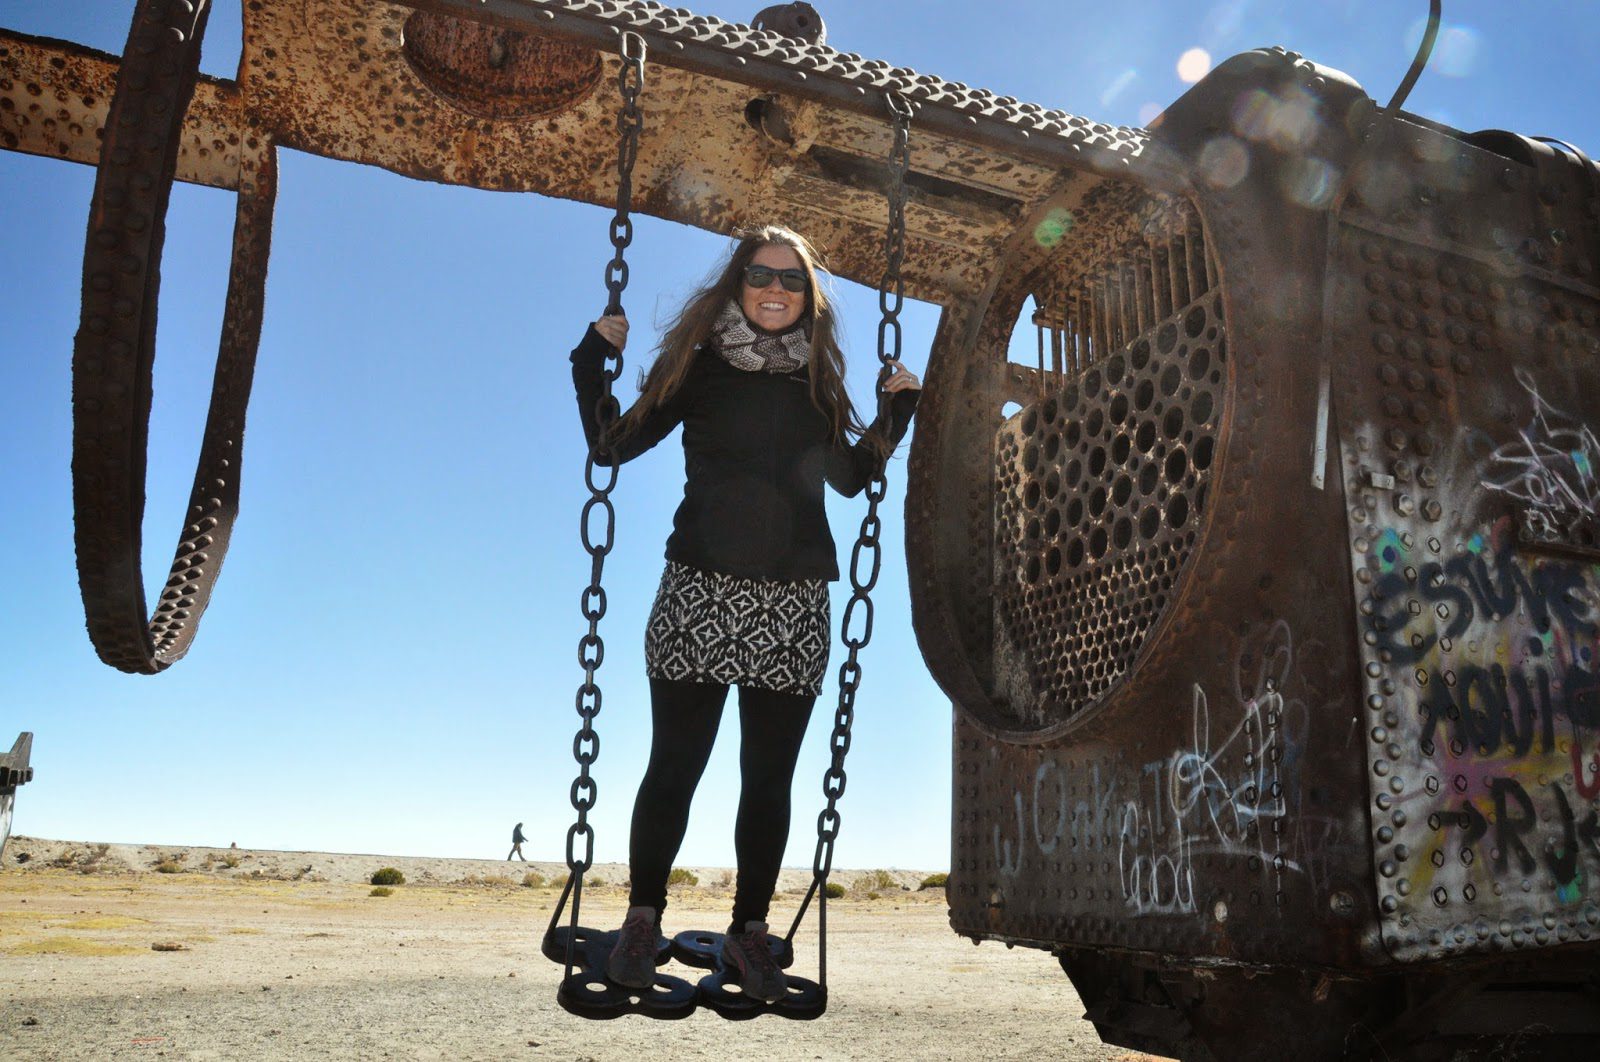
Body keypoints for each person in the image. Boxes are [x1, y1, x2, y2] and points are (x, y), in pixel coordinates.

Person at [569, 224, 920, 1003]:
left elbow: (852, 479)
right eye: (759, 275)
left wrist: (899, 410)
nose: (774, 289)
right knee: (676, 766)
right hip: (697, 590)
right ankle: (640, 918)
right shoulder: (697, 372)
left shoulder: (817, 388)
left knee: (768, 780)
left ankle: (748, 929)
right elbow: (610, 444)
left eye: (791, 280)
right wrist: (592, 356)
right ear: (737, 285)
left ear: (809, 298)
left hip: (793, 604)